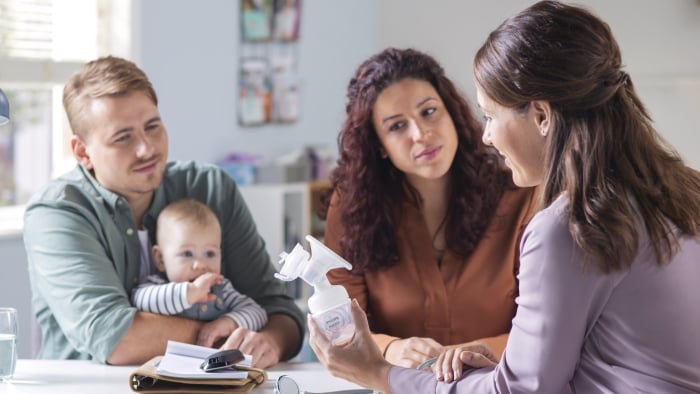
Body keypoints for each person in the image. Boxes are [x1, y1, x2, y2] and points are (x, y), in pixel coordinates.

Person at [309, 1, 700, 393]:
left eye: (492, 116)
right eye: (396, 126)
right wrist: (498, 360)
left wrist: (383, 375)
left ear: (543, 116)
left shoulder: (570, 226)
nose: (487, 136)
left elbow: (519, 391)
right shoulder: (684, 190)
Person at [23, 56, 304, 368]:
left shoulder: (210, 189)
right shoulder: (57, 212)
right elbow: (116, 338)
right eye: (123, 137)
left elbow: (280, 312)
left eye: (152, 126)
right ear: (82, 151)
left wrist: (269, 342)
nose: (147, 149)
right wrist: (221, 338)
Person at [320, 47, 539, 369]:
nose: (421, 134)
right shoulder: (351, 207)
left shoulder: (520, 195)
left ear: (451, 112)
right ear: (378, 145)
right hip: (396, 386)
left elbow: (546, 328)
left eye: (429, 111)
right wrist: (391, 349)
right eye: (396, 126)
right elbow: (339, 326)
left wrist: (462, 356)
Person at [132, 198, 268, 346]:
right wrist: (188, 293)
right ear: (161, 259)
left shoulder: (220, 289)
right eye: (187, 254)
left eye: (210, 254)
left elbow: (258, 313)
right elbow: (139, 300)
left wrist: (230, 322)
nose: (200, 265)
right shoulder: (155, 286)